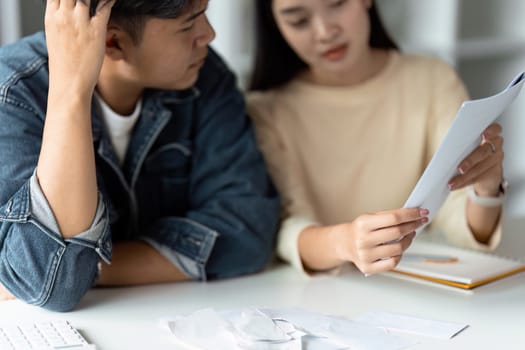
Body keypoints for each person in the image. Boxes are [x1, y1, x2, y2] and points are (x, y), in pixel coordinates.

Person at [0, 0, 280, 311]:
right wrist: (71, 91)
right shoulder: (12, 93)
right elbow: (54, 288)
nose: (209, 35)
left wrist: (88, 264)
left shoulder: (204, 76)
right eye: (189, 25)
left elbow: (246, 233)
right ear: (112, 41)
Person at [247, 0, 506, 275]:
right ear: (276, 25)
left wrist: (486, 190)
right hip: (320, 293)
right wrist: (345, 243)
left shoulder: (433, 80)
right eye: (298, 20)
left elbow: (463, 225)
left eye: (336, 4)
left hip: (413, 285)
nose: (324, 32)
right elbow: (287, 229)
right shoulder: (266, 110)